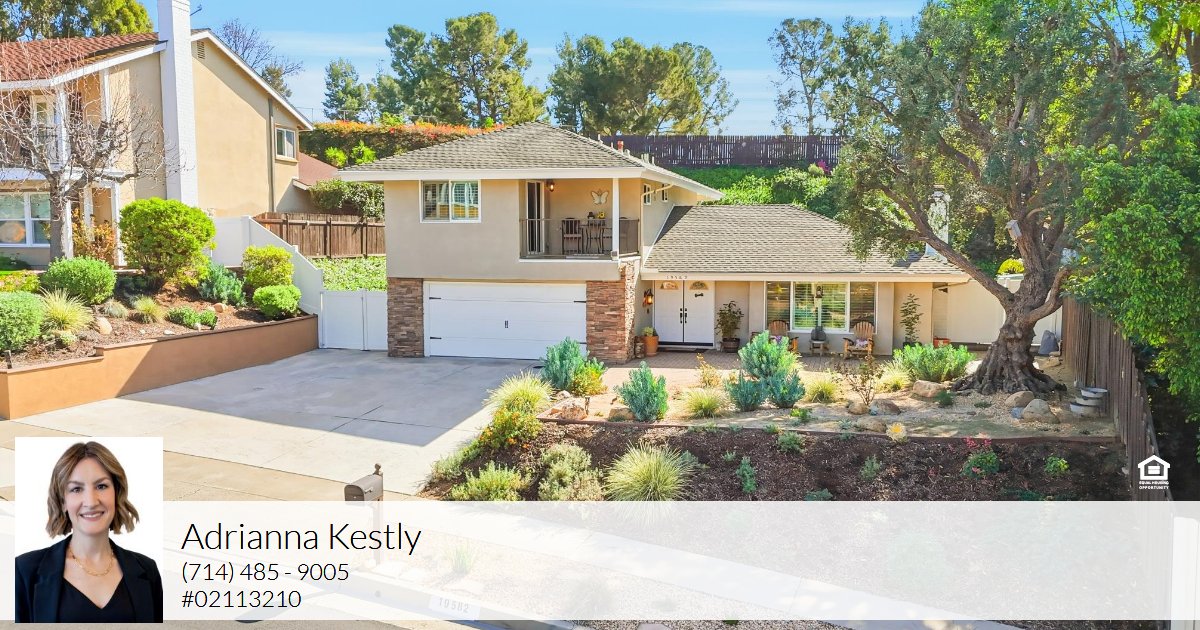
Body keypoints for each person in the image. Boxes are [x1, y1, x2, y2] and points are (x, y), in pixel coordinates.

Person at [14, 441, 163, 623]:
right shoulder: (24, 570)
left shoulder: (147, 570)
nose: (91, 502)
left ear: (116, 493)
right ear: (63, 502)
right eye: (76, 489)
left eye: (101, 486)